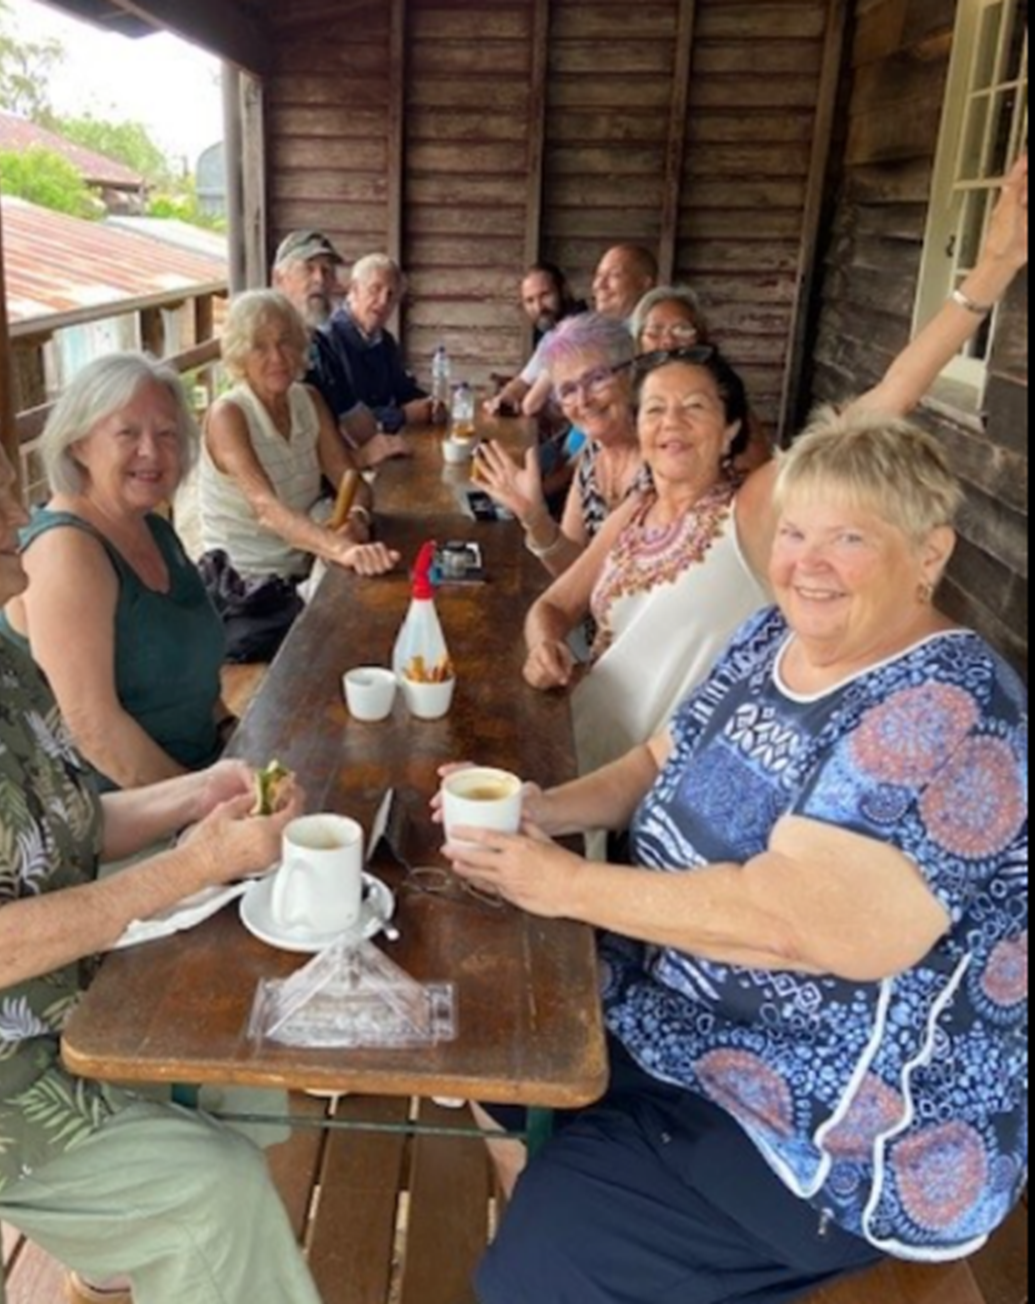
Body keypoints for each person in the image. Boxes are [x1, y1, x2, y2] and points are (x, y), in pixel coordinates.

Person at [440, 412, 1028, 1304]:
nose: (807, 562)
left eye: (849, 538)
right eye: (794, 532)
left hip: (832, 1127)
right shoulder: (769, 639)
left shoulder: (949, 709)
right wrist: (538, 810)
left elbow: (795, 925)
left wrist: (566, 885)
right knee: (493, 1034)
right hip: (681, 1015)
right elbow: (652, 762)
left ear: (928, 554)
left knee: (534, 1270)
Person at [0, 400, 323, 1304]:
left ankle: (134, 1257)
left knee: (238, 1034)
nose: (22, 513)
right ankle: (185, 1243)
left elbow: (73, 820)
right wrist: (193, 864)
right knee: (213, 1195)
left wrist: (200, 798)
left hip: (31, 1002)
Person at [526, 155, 1028, 780]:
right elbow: (551, 605)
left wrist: (991, 272)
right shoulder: (634, 511)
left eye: (694, 407)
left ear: (731, 428)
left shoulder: (755, 505)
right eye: (654, 408)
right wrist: (543, 645)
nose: (670, 422)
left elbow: (883, 402)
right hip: (571, 747)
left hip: (663, 794)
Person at [0, 353, 229, 793]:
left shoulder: (154, 530)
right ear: (78, 444)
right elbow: (92, 729)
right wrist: (206, 805)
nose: (152, 452)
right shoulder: (66, 549)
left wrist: (235, 735)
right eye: (127, 433)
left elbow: (194, 668)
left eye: (167, 434)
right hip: (114, 820)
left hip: (197, 774)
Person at [200, 289, 399, 593]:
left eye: (284, 342)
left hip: (307, 561)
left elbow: (350, 479)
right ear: (240, 355)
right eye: (259, 347)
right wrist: (340, 548)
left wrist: (357, 519)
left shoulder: (308, 399)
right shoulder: (228, 415)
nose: (277, 357)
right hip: (248, 582)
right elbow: (267, 509)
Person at [474, 312, 643, 578]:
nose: (583, 400)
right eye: (568, 390)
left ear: (631, 373)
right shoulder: (592, 454)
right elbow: (573, 574)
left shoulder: (662, 461)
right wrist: (535, 519)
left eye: (597, 378)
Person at [271, 229, 410, 468]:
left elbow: (352, 416)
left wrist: (387, 445)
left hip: (331, 481)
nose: (320, 279)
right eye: (309, 268)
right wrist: (363, 456)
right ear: (279, 279)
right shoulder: (265, 345)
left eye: (327, 271)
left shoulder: (318, 346)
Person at [631, 284, 771, 472]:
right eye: (654, 332)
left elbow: (757, 469)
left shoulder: (722, 395)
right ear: (638, 343)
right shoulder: (629, 394)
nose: (668, 342)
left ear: (702, 339)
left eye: (681, 330)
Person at [518, 244, 658, 420]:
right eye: (598, 276)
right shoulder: (595, 328)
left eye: (614, 275)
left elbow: (532, 404)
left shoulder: (650, 334)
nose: (599, 285)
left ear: (644, 284)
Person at [319, 255, 442, 432]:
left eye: (391, 295)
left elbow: (404, 392)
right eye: (375, 289)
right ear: (354, 290)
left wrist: (433, 404)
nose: (384, 301)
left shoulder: (385, 341)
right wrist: (402, 416)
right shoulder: (327, 340)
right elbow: (338, 417)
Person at [487, 262, 587, 418]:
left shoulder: (579, 330)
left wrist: (515, 403)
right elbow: (524, 381)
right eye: (530, 301)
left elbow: (532, 405)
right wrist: (503, 398)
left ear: (564, 291)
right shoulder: (552, 334)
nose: (539, 307)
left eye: (545, 295)